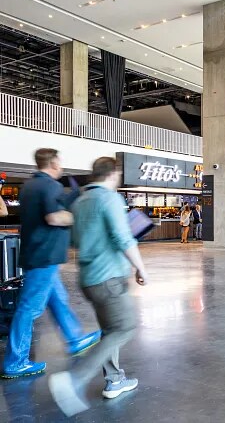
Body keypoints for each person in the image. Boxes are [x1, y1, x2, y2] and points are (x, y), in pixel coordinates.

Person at [48, 157, 149, 416]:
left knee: (110, 329)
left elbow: (76, 239)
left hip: (88, 278)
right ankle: (75, 379)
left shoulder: (81, 202)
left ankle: (114, 379)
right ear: (113, 174)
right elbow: (122, 237)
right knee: (125, 326)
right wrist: (141, 267)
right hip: (110, 278)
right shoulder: (110, 199)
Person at [3, 148, 100, 379]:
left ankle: (75, 338)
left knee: (58, 299)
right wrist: (77, 215)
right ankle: (15, 362)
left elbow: (43, 213)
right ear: (54, 163)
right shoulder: (50, 186)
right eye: (60, 161)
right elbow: (54, 217)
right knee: (28, 308)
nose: (62, 166)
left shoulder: (29, 186)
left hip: (39, 254)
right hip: (44, 256)